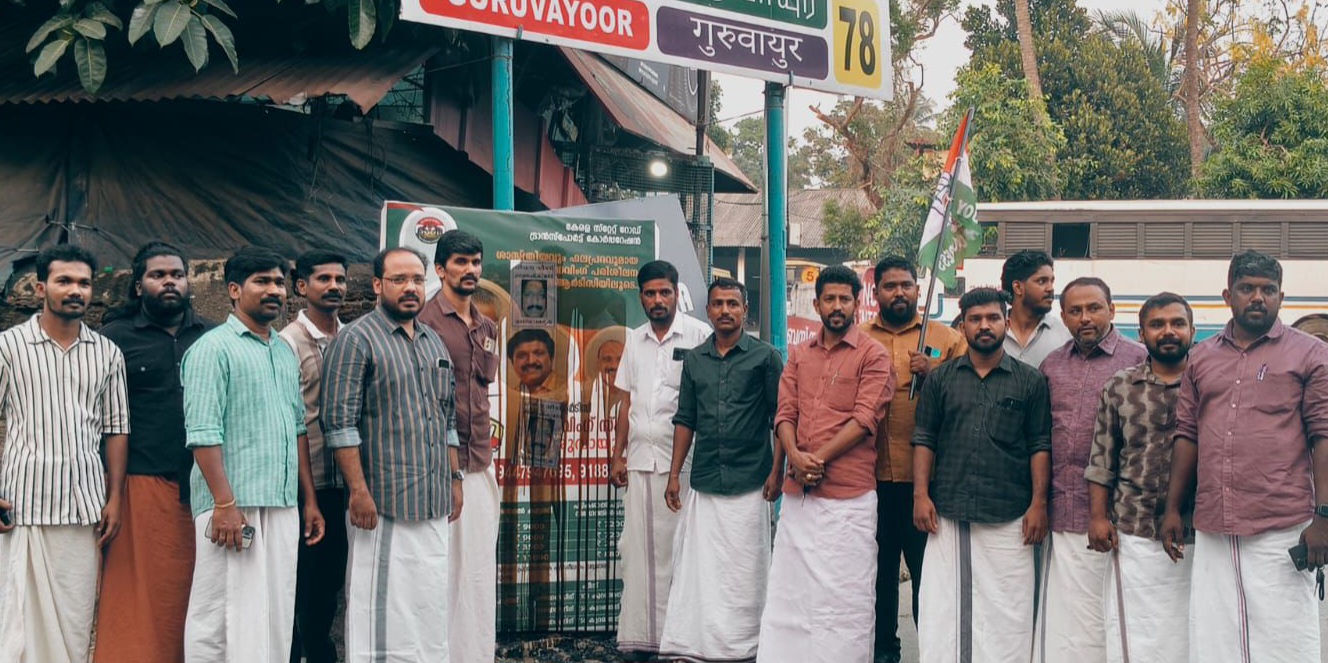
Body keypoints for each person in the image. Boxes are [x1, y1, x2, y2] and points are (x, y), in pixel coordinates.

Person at [1161, 250, 1328, 662]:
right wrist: (1173, 508)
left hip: (1281, 523)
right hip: (1215, 524)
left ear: (1281, 297)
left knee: (1285, 639)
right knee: (1217, 636)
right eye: (1247, 288)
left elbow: (1323, 435)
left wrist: (1324, 517)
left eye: (1268, 290)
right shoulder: (1202, 358)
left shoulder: (1310, 354)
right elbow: (1187, 435)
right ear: (1227, 295)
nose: (1258, 297)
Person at [181, 246, 325, 662]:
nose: (274, 290)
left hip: (281, 504)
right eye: (262, 281)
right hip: (232, 508)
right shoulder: (212, 349)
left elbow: (297, 428)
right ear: (233, 290)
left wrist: (309, 501)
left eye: (279, 282)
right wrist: (224, 504)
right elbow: (203, 433)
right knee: (220, 616)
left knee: (274, 613)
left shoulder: (282, 350)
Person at [322, 247, 463, 662]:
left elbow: (447, 420)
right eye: (399, 280)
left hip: (433, 501)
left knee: (428, 605)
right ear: (378, 285)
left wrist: (455, 480)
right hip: (382, 504)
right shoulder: (356, 340)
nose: (410, 288)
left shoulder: (433, 342)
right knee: (380, 611)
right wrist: (358, 492)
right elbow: (340, 425)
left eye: (417, 279)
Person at [756, 265, 894, 663]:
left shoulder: (873, 355)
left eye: (844, 299)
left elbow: (865, 419)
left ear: (857, 304)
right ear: (816, 304)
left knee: (844, 598)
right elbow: (785, 413)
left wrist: (815, 459)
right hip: (799, 494)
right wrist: (793, 459)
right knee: (793, 593)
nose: (837, 306)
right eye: (829, 299)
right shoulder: (800, 355)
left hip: (849, 497)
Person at [0, 245, 129, 663]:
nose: (76, 290)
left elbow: (116, 429)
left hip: (83, 510)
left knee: (74, 625)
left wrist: (115, 498)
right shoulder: (8, 347)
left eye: (84, 283)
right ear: (41, 288)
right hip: (22, 508)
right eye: (65, 281)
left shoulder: (107, 353)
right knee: (17, 625)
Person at [912, 287, 1051, 663]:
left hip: (1010, 514)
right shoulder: (941, 380)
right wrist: (920, 495)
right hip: (950, 511)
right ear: (963, 326)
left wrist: (1039, 504)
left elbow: (1039, 445)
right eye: (975, 319)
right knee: (944, 606)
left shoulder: (1030, 381)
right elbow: (924, 439)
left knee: (1008, 609)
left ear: (1006, 321)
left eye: (992, 318)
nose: (984, 326)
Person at [95, 242, 214, 663]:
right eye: (158, 275)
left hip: (205, 487)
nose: (169, 282)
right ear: (138, 285)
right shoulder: (113, 340)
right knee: (137, 597)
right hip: (140, 483)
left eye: (177, 275)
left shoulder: (212, 337)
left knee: (198, 594)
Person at [658, 278, 784, 663]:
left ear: (745, 309)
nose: (725, 310)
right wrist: (674, 475)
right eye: (718, 304)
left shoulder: (765, 358)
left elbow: (781, 418)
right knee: (705, 570)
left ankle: (748, 645)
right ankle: (702, 644)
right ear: (708, 310)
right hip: (707, 481)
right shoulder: (695, 359)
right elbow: (686, 419)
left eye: (733, 303)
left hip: (751, 482)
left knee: (747, 570)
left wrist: (778, 471)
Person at [858, 255, 966, 663]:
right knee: (878, 574)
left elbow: (970, 396)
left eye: (906, 285)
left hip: (927, 484)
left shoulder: (946, 339)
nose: (899, 293)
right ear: (876, 292)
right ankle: (884, 652)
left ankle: (934, 653)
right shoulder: (858, 338)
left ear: (919, 291)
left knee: (928, 578)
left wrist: (935, 370)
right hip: (870, 480)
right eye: (890, 286)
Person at [1034, 277, 1146, 663]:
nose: (1085, 317)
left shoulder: (1138, 360)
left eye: (1094, 308)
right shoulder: (1052, 365)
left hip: (1116, 518)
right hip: (1061, 512)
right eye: (1075, 310)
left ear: (1112, 310)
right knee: (1067, 621)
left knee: (1111, 617)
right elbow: (1041, 436)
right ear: (1063, 316)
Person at [1085, 292, 1196, 663]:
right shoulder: (1120, 387)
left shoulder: (1208, 384)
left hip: (1198, 532)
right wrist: (1098, 517)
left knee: (1191, 630)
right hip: (1133, 529)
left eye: (1177, 323)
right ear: (1141, 333)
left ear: (1192, 330)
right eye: (1157, 324)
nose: (1168, 332)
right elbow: (1101, 458)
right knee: (1135, 631)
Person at [610, 260, 711, 661]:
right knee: (638, 554)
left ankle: (679, 643)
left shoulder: (699, 336)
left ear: (676, 292)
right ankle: (640, 639)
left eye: (664, 292)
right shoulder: (634, 340)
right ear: (641, 297)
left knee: (680, 553)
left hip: (682, 468)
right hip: (640, 462)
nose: (657, 300)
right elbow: (626, 402)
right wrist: (617, 455)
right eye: (650, 293)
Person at [418, 231, 501, 663]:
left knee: (477, 571)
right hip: (436, 466)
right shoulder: (424, 323)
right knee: (438, 570)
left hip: (480, 462)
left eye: (475, 262)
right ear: (440, 269)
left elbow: (484, 387)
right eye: (461, 262)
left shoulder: (487, 327)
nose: (470, 270)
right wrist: (449, 470)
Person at [279, 250, 348, 663]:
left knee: (328, 589)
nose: (334, 286)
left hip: (347, 485)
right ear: (302, 286)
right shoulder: (288, 342)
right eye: (324, 279)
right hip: (308, 487)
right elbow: (291, 422)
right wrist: (307, 498)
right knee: (300, 588)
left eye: (340, 279)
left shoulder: (352, 336)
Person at [1001, 250, 1071, 368]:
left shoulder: (1064, 335)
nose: (1050, 288)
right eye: (1042, 281)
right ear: (1018, 287)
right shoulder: (992, 332)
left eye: (1051, 281)